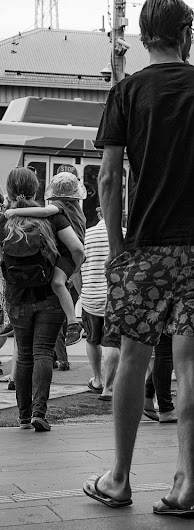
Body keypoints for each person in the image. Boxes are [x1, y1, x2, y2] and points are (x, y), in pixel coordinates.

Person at [88, 0, 194, 515]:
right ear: (187, 33)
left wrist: (116, 247)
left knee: (134, 359)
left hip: (144, 248)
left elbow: (110, 177)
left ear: (142, 36)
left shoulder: (127, 92)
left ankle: (119, 478)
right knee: (191, 363)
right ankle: (185, 484)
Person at [1, 167, 84, 431]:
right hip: (50, 295)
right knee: (43, 352)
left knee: (24, 354)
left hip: (17, 297)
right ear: (37, 189)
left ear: (9, 190)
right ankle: (39, 413)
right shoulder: (53, 217)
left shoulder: (4, 220)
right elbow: (77, 248)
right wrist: (69, 271)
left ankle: (23, 416)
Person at [5, 170, 87, 346]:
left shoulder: (58, 206)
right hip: (71, 255)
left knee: (57, 282)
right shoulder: (76, 208)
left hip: (68, 254)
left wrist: (14, 212)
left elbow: (43, 211)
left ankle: (73, 323)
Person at [80, 207, 120, 402]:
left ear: (98, 215)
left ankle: (97, 379)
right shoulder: (125, 235)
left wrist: (82, 291)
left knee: (92, 339)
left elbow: (76, 267)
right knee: (112, 341)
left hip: (89, 296)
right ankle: (109, 387)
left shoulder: (86, 235)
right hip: (116, 297)